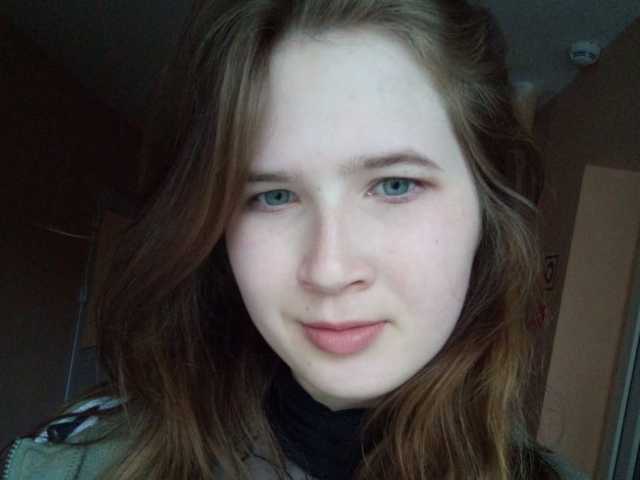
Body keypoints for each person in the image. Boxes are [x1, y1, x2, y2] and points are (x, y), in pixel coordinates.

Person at [2, 0, 588, 479]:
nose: (328, 270)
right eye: (274, 196)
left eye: (395, 185)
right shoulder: (70, 467)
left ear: (486, 206)